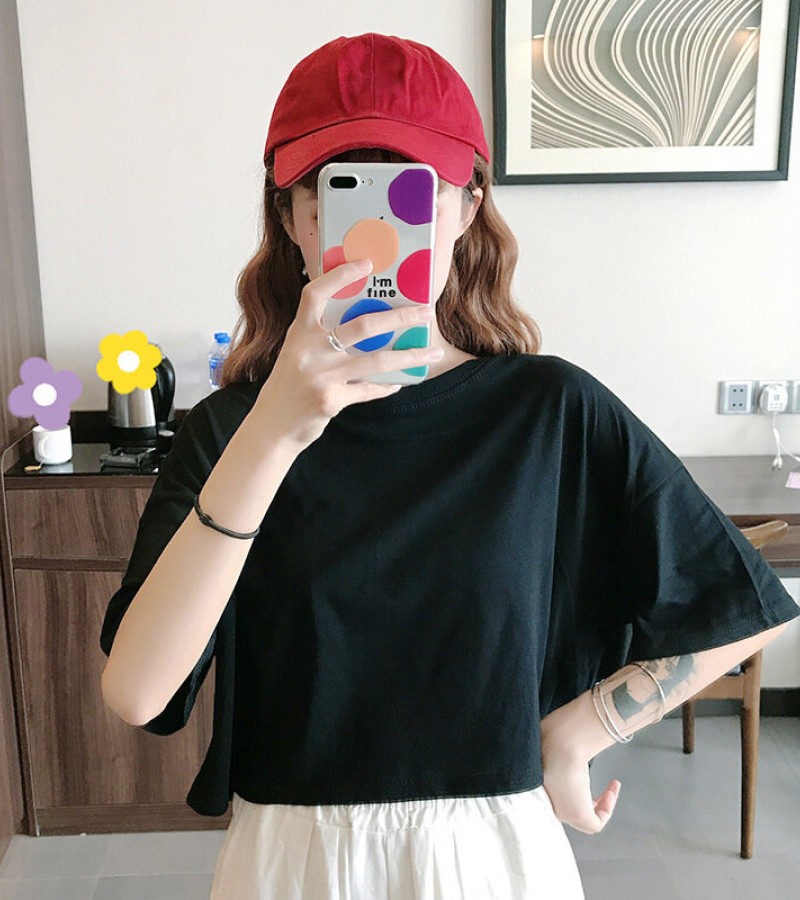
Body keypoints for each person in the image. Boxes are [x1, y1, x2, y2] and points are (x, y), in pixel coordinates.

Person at [99, 32, 800, 900]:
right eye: (335, 190)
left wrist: (580, 731)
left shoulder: (546, 411)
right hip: (295, 860)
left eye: (410, 191)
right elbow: (137, 693)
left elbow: (743, 606)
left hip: (493, 856)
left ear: (467, 208)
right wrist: (274, 432)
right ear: (291, 217)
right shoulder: (230, 432)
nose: (371, 229)